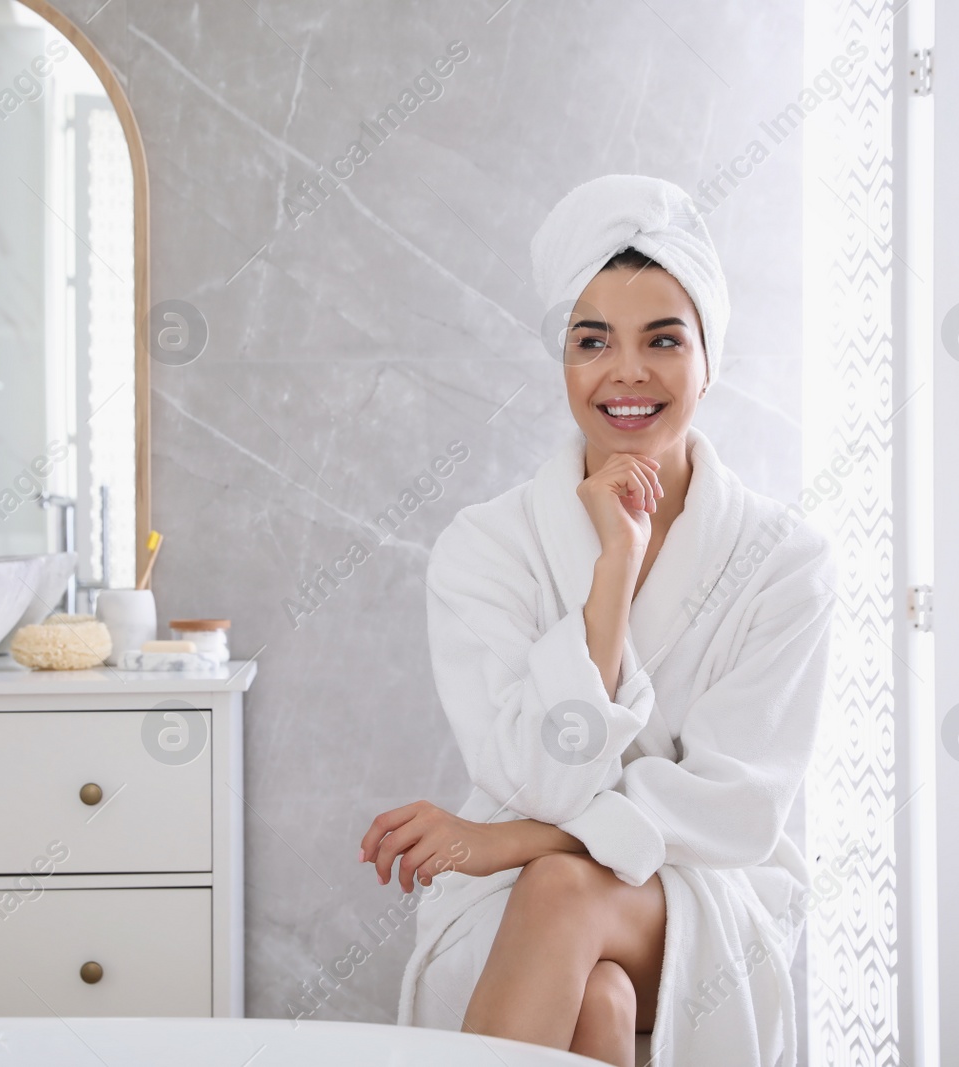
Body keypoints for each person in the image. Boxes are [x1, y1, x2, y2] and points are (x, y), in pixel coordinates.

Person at [357, 174, 837, 1067]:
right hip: (504, 889)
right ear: (564, 361)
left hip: (704, 889)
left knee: (561, 891)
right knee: (597, 1004)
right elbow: (535, 775)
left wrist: (514, 840)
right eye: (592, 341)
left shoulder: (785, 561)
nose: (627, 372)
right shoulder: (487, 546)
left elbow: (737, 809)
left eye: (664, 339)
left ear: (707, 356)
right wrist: (610, 578)